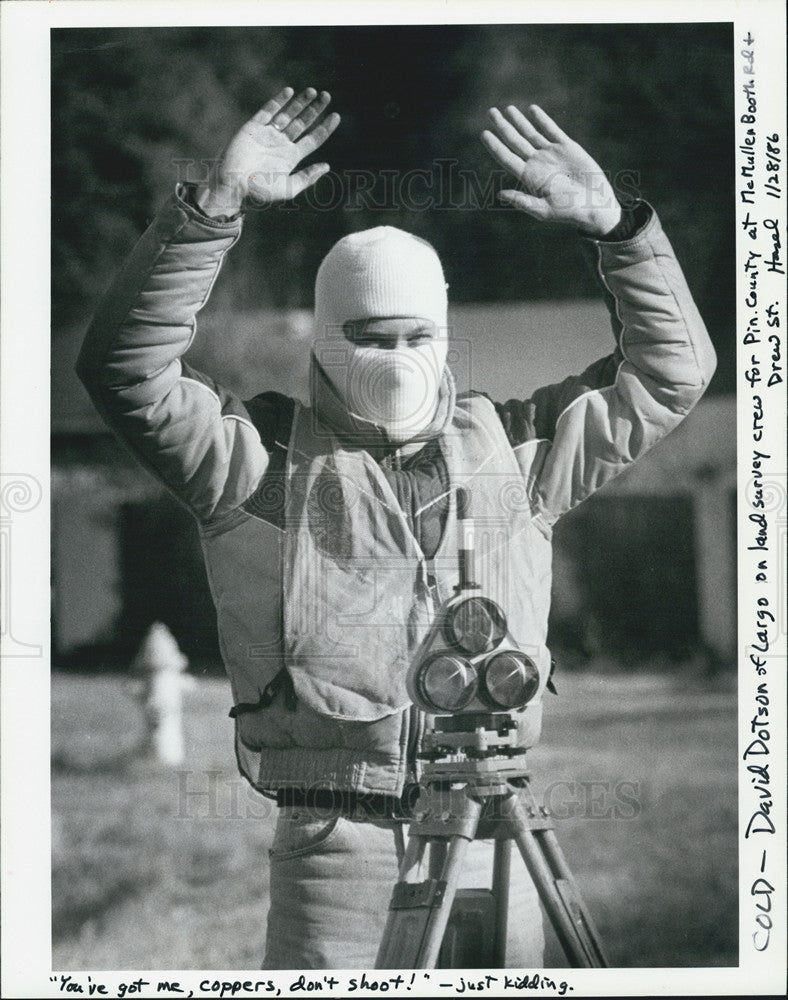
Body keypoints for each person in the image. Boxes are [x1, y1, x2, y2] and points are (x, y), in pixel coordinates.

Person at [78, 86, 716, 969]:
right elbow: (124, 370)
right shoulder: (258, 460)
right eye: (371, 335)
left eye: (419, 334)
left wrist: (619, 230)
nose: (397, 358)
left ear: (448, 334)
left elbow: (674, 371)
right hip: (339, 848)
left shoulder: (519, 447)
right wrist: (211, 209)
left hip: (500, 824)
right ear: (326, 337)